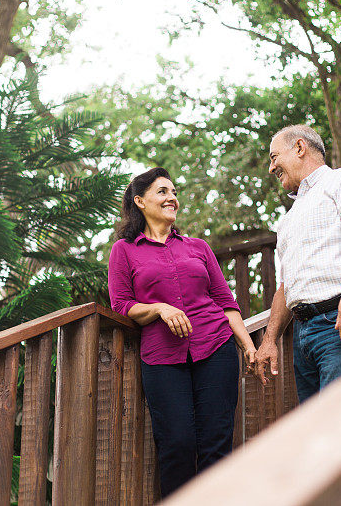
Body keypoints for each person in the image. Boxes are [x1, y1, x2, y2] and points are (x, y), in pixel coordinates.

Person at [108, 167, 256, 497]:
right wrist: (160, 308)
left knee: (217, 445)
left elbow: (225, 302)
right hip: (162, 358)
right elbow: (121, 304)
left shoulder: (198, 247)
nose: (172, 198)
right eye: (162, 192)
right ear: (140, 201)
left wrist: (248, 346)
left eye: (174, 192)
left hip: (216, 348)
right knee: (176, 444)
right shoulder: (125, 250)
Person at [254, 125, 341, 402]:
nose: (271, 168)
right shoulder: (289, 219)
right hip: (305, 333)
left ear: (300, 148)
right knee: (319, 430)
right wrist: (269, 340)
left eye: (274, 157)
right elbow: (285, 286)